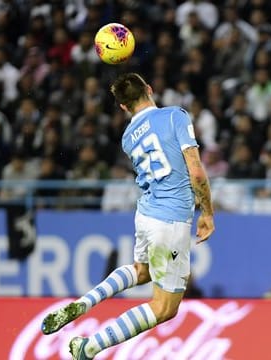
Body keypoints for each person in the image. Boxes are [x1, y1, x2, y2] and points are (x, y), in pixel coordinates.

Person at [40, 73, 215, 359]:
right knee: (165, 308)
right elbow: (195, 170)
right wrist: (207, 212)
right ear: (149, 89)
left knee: (142, 270)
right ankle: (89, 348)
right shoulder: (175, 116)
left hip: (146, 213)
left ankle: (84, 303)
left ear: (123, 107)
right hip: (169, 220)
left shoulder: (127, 139)